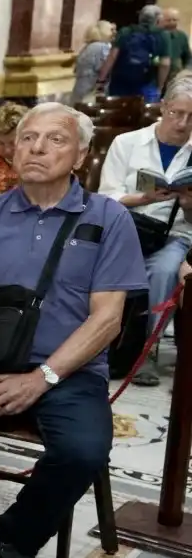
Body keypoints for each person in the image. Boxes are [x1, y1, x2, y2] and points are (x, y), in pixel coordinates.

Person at [0, 104, 147, 558]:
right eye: (28, 138)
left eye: (55, 140)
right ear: (12, 149)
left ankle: (18, 540)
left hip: (67, 370)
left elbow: (107, 320)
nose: (37, 148)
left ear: (81, 154)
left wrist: (43, 378)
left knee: (84, 451)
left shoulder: (108, 218)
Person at [98, 72, 192, 385]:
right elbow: (105, 195)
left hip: (175, 233)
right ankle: (98, 343)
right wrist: (143, 197)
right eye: (177, 113)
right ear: (163, 107)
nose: (182, 123)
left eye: (191, 117)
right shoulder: (127, 143)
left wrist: (189, 203)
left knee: (164, 270)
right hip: (127, 227)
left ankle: (145, 353)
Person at [100, 5, 169, 102]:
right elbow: (165, 64)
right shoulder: (162, 35)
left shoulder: (125, 31)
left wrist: (101, 79)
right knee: (145, 114)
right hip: (148, 83)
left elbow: (112, 56)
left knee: (117, 112)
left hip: (120, 82)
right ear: (158, 19)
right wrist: (160, 86)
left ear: (140, 17)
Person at [70, 21, 115, 103]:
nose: (114, 33)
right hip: (90, 93)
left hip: (80, 91)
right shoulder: (101, 47)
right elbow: (105, 69)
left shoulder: (89, 47)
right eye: (111, 30)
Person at [163, 8, 192, 86]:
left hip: (175, 79)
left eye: (174, 20)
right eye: (168, 20)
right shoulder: (156, 36)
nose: (172, 22)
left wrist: (185, 71)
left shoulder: (182, 36)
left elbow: (188, 58)